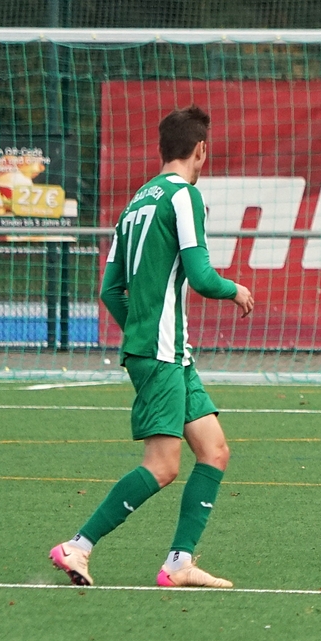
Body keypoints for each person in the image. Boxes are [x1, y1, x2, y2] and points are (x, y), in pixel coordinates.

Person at [49, 105, 254, 587]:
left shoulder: (137, 202)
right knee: (162, 467)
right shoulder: (184, 196)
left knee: (215, 450)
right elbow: (201, 277)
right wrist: (235, 290)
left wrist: (141, 329)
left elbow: (110, 290)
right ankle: (77, 546)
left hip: (167, 352)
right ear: (200, 149)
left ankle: (179, 563)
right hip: (162, 353)